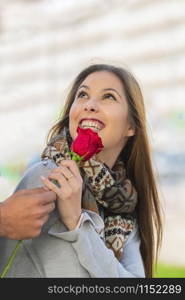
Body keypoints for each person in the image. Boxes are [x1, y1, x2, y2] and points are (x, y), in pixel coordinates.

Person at [0, 64, 163, 278]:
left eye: (109, 97)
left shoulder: (123, 205)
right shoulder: (47, 179)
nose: (90, 105)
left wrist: (78, 224)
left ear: (131, 126)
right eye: (83, 95)